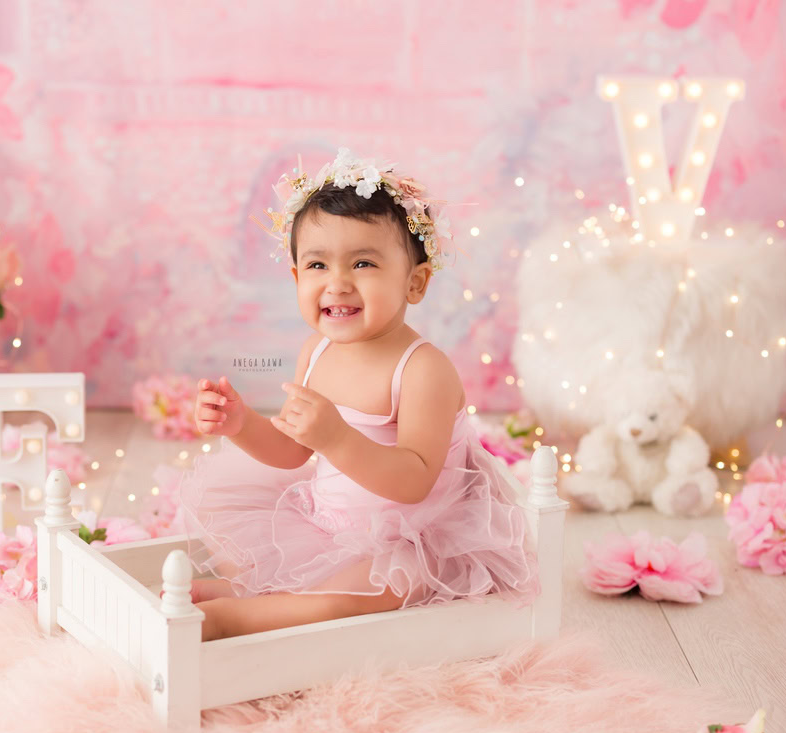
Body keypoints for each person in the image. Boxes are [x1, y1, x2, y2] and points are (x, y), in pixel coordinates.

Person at [167, 148, 540, 642]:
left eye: (363, 263)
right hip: (326, 523)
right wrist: (241, 425)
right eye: (318, 265)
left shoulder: (423, 369)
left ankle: (238, 617)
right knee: (246, 532)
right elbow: (292, 449)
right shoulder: (315, 353)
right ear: (298, 277)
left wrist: (338, 438)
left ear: (415, 282)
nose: (337, 283)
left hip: (409, 537)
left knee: (372, 591)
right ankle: (260, 598)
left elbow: (415, 481)